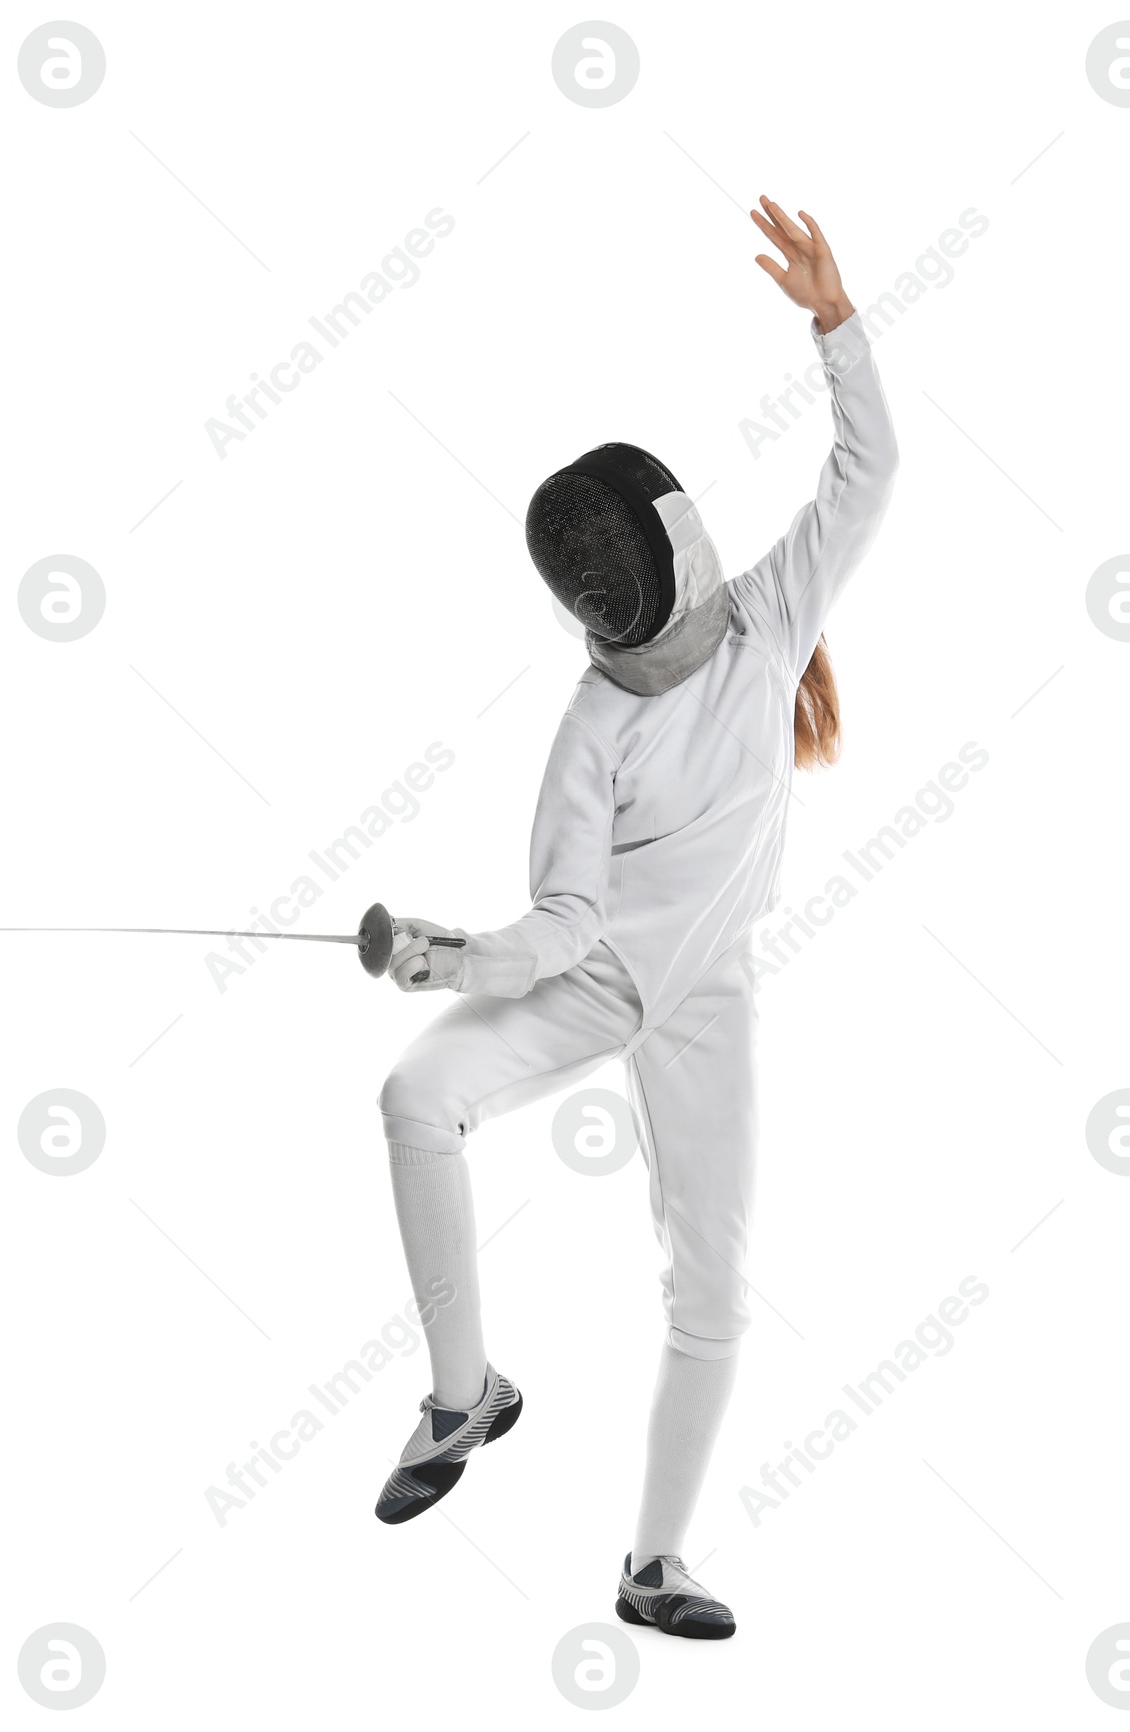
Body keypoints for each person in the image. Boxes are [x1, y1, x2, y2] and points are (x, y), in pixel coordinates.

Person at [371, 197, 898, 1641]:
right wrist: (452, 959)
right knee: (417, 1093)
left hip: (708, 997)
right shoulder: (593, 727)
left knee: (714, 1281)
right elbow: (559, 923)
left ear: (680, 558)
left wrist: (836, 324)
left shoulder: (770, 617)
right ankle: (466, 1394)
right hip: (594, 984)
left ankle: (653, 1565)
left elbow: (868, 473)